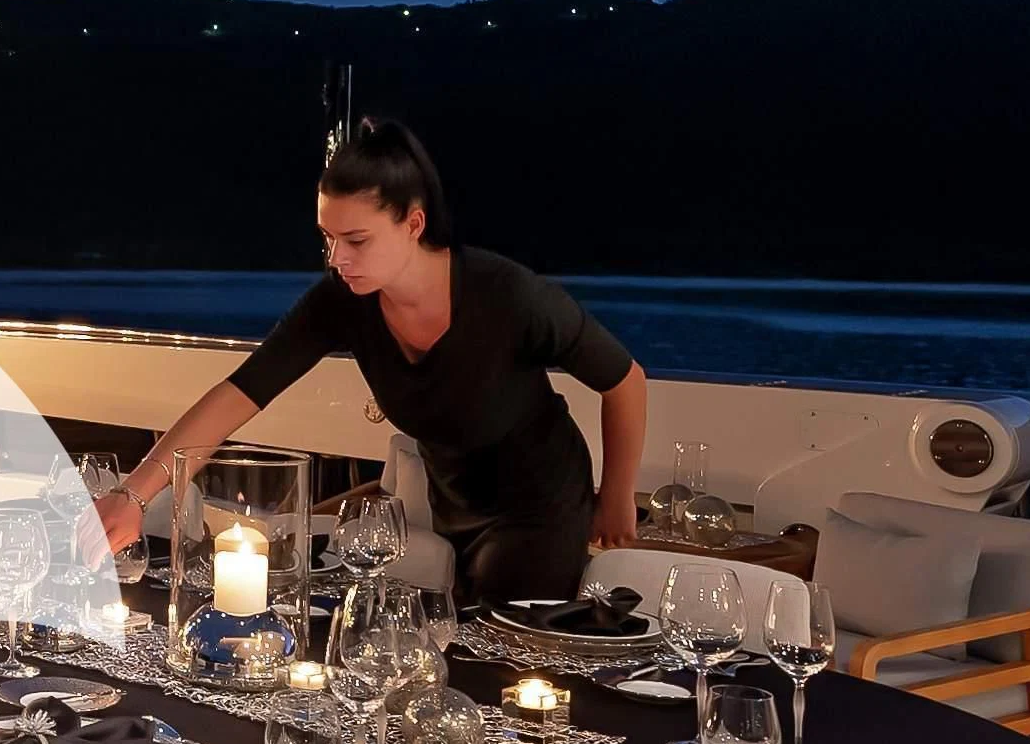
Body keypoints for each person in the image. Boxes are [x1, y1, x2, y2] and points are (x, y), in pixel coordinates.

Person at [90, 116, 647, 605]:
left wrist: (616, 499)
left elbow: (625, 380)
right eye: (329, 239)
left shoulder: (508, 296)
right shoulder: (343, 302)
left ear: (413, 223)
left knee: (503, 658)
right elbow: (241, 392)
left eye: (356, 240)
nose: (338, 259)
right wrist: (133, 495)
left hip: (541, 505)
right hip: (450, 505)